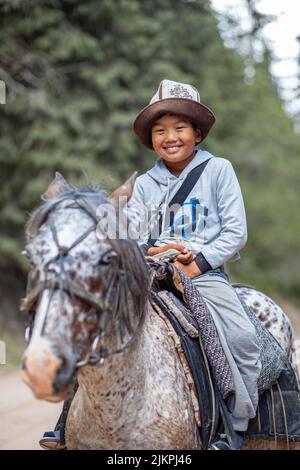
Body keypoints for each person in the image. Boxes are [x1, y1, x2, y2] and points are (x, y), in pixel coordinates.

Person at [40, 79, 261, 450]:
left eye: (179, 128)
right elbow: (126, 231)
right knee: (97, 319)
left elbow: (236, 231)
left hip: (202, 274)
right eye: (160, 131)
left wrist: (200, 260)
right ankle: (67, 419)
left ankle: (234, 426)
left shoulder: (219, 170)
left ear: (197, 132)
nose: (169, 137)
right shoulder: (144, 183)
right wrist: (145, 250)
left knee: (241, 338)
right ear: (151, 139)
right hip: (149, 271)